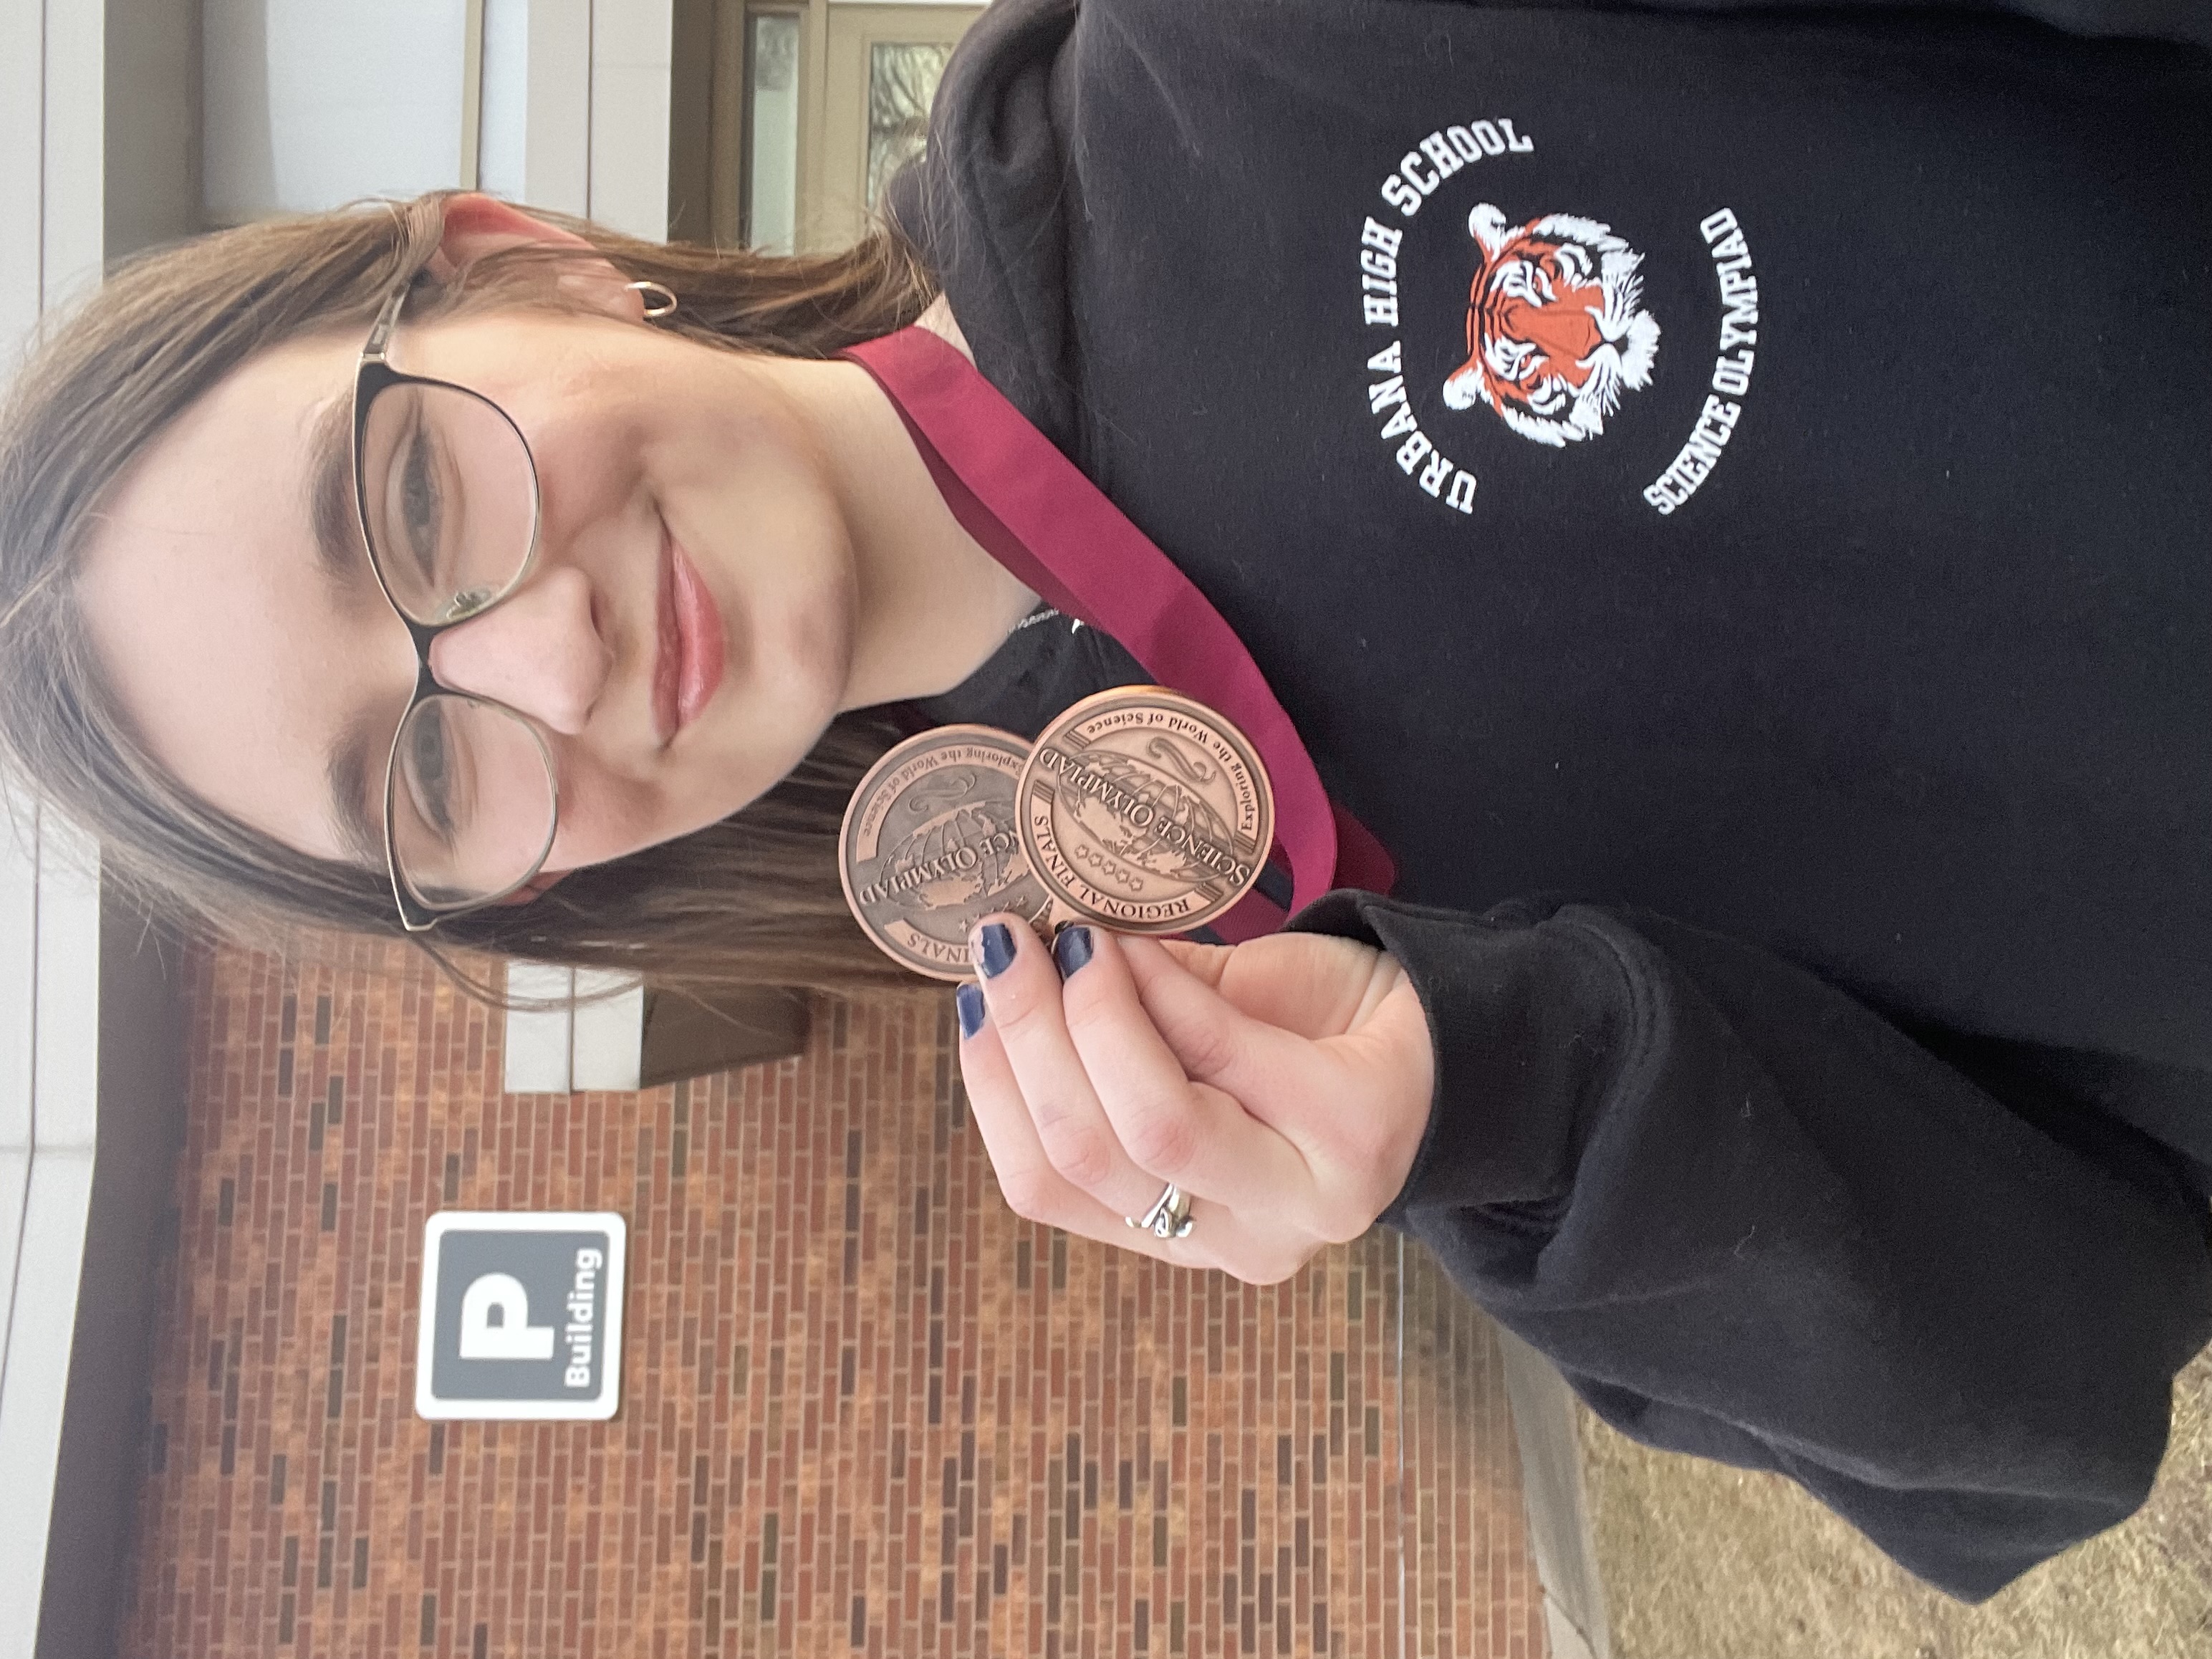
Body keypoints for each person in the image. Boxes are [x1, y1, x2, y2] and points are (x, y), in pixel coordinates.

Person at [3, 0, 2208, 1606]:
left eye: (406, 490)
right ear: (516, 887)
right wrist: (1508, 1107)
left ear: (514, 255)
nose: (540, 655)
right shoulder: (1228, 1019)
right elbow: (2069, 1372)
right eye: (416, 764)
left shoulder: (1247, 61)